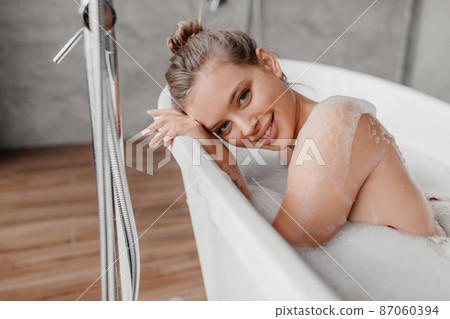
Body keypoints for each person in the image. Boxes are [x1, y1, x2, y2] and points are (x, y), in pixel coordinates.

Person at [141, 19, 447, 247]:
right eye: (223, 127)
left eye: (243, 96)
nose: (248, 127)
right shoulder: (298, 139)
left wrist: (222, 157)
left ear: (268, 63)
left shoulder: (334, 123)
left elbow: (274, 256)